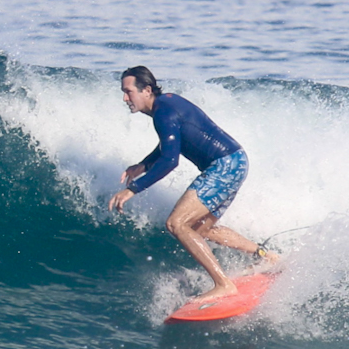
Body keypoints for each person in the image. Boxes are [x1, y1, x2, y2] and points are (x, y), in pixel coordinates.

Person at [106, 66, 276, 304]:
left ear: (146, 90)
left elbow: (170, 160)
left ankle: (223, 284)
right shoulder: (166, 104)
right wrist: (143, 165)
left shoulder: (163, 113)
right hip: (236, 160)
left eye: (128, 91)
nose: (124, 98)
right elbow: (170, 143)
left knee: (176, 223)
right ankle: (266, 257)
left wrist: (132, 189)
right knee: (200, 229)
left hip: (223, 166)